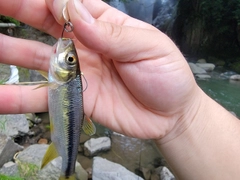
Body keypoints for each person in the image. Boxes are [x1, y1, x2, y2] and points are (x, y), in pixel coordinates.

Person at [0, 0, 240, 179]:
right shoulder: (60, 76)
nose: (68, 57)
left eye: (70, 61)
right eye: (71, 60)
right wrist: (183, 117)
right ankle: (67, 167)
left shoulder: (59, 74)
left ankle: (67, 169)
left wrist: (184, 114)